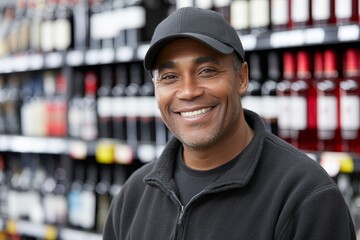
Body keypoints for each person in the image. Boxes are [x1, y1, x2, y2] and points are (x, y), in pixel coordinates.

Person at [103, 7, 356, 240]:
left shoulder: (306, 196)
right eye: (170, 77)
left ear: (242, 78)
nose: (188, 91)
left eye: (207, 71)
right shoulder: (132, 197)